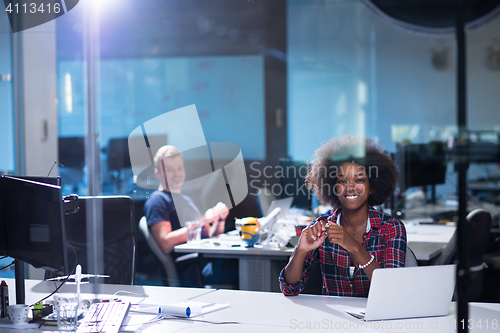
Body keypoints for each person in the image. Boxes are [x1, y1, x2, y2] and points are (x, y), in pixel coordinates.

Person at [280, 136, 406, 297]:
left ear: (372, 186)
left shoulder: (392, 229)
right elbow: (289, 289)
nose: (350, 187)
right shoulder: (321, 227)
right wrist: (301, 250)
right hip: (332, 321)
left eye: (359, 179)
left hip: (376, 319)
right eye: (342, 181)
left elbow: (392, 291)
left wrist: (355, 247)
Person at [143, 145, 230, 285]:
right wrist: (202, 220)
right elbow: (165, 243)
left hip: (207, 262)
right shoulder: (157, 201)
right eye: (169, 170)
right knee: (248, 270)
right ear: (158, 174)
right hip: (194, 269)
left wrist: (220, 219)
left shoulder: (185, 199)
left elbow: (211, 233)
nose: (176, 174)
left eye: (179, 168)